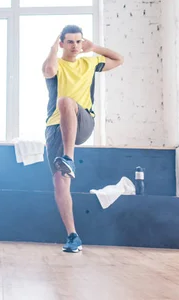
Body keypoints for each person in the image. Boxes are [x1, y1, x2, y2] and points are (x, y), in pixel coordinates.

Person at [42, 24, 123, 253]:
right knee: (60, 182)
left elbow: (119, 59)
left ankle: (68, 158)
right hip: (55, 127)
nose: (75, 46)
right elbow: (48, 70)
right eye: (70, 42)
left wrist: (94, 47)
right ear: (62, 44)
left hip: (83, 121)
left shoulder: (90, 62)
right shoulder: (55, 63)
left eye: (79, 41)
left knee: (66, 101)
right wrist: (52, 49)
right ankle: (73, 236)